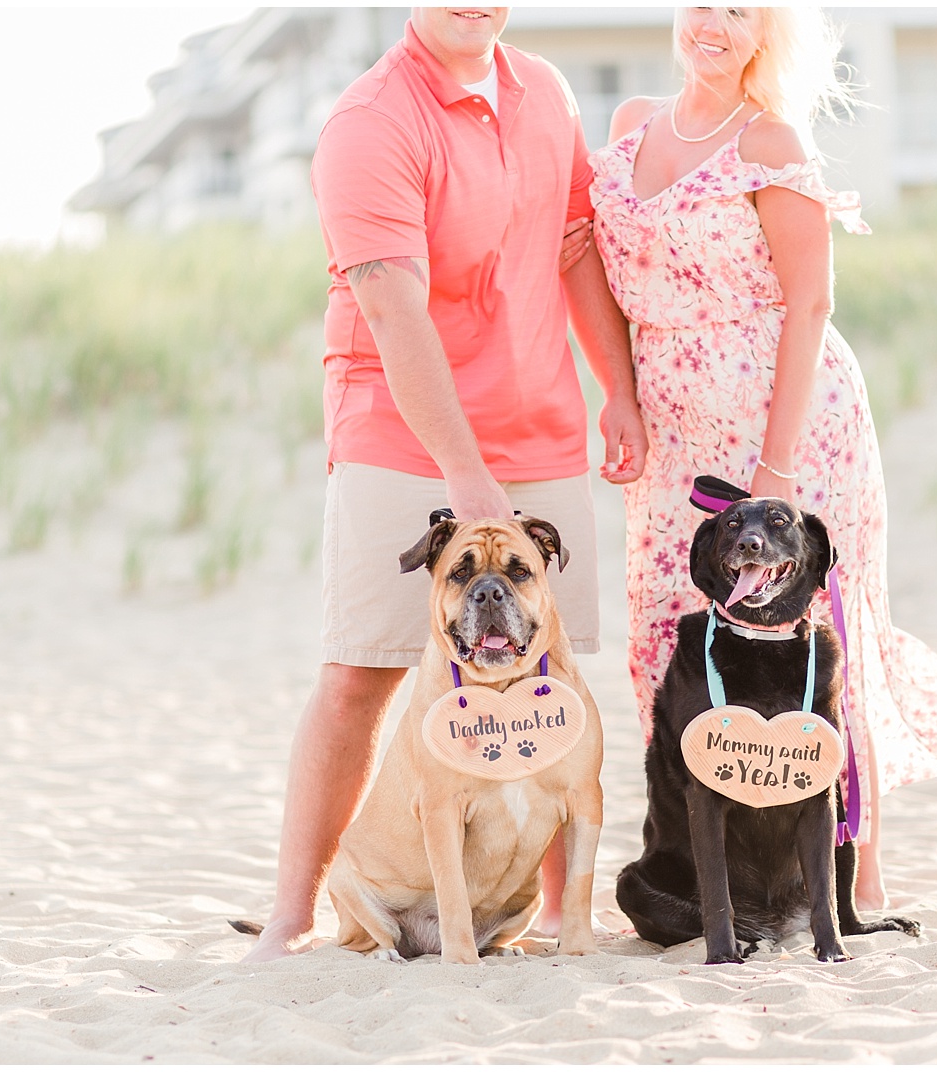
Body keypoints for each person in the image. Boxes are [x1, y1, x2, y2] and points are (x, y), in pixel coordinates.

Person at [585, 7, 937, 909]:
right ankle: (706, 865)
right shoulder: (630, 125)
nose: (713, 22)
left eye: (740, 10)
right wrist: (619, 392)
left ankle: (855, 869)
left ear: (764, 36)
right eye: (703, 2)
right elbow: (584, 263)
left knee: (813, 638)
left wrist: (777, 468)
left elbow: (810, 303)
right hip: (672, 422)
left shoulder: (768, 138)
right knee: (666, 631)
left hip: (786, 419)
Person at [241, 6, 646, 962]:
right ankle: (294, 915)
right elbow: (390, 307)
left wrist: (617, 389)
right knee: (362, 670)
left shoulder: (543, 90)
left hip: (538, 422)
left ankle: (551, 915)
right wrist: (465, 477)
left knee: (546, 672)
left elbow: (576, 249)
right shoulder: (371, 122)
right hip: (400, 431)